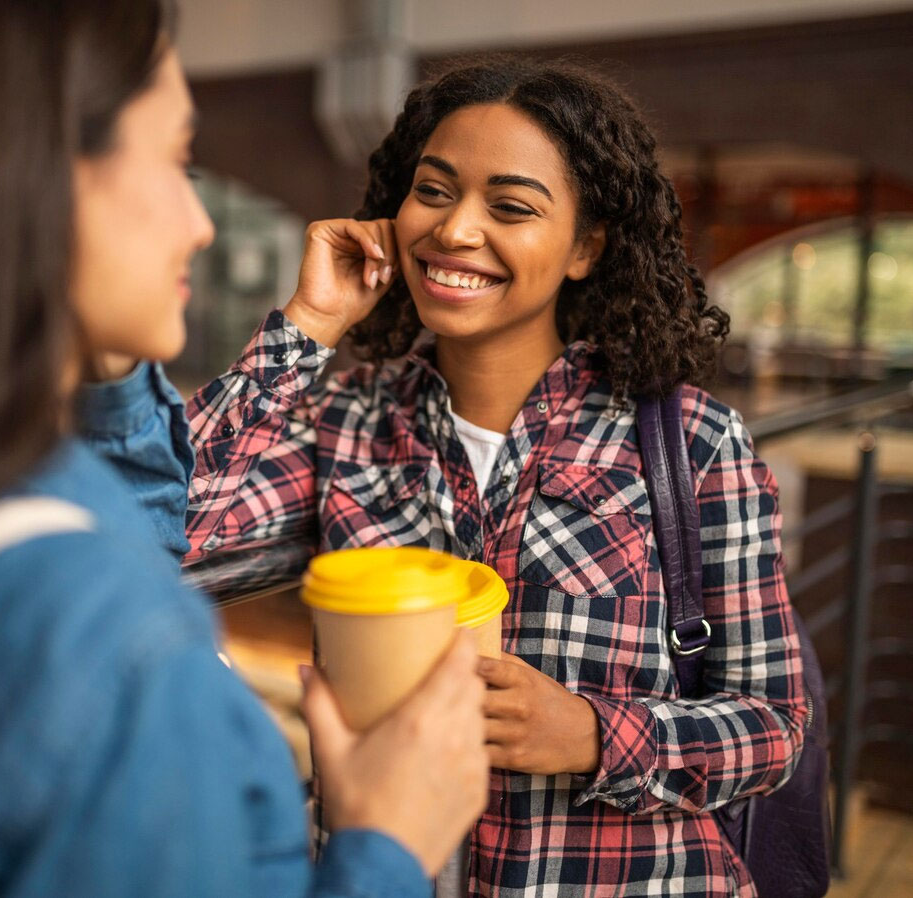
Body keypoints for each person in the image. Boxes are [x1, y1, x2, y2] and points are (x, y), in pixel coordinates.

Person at [0, 2, 489, 896]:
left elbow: (127, 527)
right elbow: (172, 530)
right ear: (33, 181)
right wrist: (387, 845)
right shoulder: (112, 640)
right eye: (178, 160)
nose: (201, 223)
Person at [185, 57, 807, 897]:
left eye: (510, 207)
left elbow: (774, 725)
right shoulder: (345, 422)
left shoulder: (691, 444)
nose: (454, 230)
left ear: (586, 247)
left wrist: (593, 735)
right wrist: (309, 323)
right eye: (433, 192)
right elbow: (161, 530)